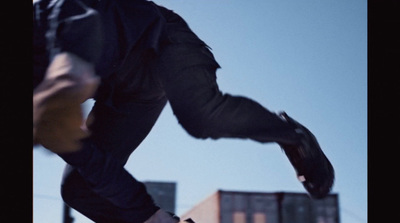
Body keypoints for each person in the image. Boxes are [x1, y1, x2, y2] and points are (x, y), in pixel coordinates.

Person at [33, 0, 334, 222]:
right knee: (78, 189)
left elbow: (81, 16)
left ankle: (293, 136)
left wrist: (71, 69)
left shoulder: (44, 21)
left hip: (161, 41)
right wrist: (151, 217)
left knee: (200, 116)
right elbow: (90, 161)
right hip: (128, 97)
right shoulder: (40, 113)